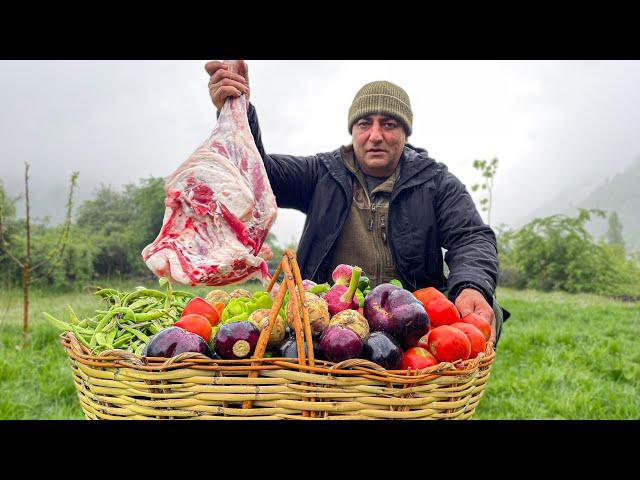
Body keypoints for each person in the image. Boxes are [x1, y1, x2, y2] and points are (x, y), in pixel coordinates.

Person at [204, 60, 509, 346]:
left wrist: (472, 285)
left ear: (405, 132)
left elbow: (471, 236)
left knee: (483, 305)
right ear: (353, 130)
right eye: (365, 123)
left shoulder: (435, 181)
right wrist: (238, 110)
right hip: (329, 326)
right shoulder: (321, 173)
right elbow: (260, 174)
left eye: (389, 124)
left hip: (409, 327)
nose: (375, 135)